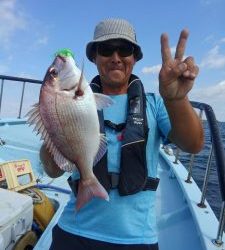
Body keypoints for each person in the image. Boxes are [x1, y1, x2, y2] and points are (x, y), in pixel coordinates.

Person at [41, 18, 204, 250]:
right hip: (73, 231)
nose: (116, 58)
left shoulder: (155, 104)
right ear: (94, 57)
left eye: (124, 49)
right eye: (106, 50)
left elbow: (194, 144)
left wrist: (175, 99)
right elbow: (52, 169)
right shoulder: (66, 100)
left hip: (137, 239)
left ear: (134, 58)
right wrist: (54, 123)